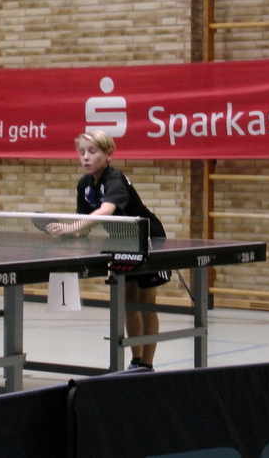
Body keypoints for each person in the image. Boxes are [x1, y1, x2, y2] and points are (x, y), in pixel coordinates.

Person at [48, 130, 170, 373]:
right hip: (122, 243)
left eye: (92, 152)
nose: (85, 157)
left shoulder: (115, 180)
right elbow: (85, 222)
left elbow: (105, 211)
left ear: (108, 154)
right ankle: (136, 361)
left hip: (148, 240)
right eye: (82, 152)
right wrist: (70, 233)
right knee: (128, 303)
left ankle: (147, 364)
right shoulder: (84, 184)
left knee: (146, 303)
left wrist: (72, 227)